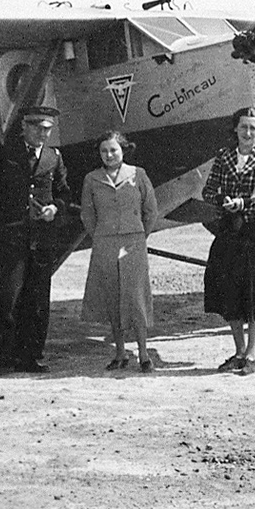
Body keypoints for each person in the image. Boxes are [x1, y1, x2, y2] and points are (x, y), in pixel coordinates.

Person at [0, 105, 72, 377]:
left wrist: (55, 209)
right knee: (7, 296)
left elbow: (64, 193)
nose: (42, 133)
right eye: (36, 127)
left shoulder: (53, 158)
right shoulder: (5, 150)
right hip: (11, 234)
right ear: (24, 127)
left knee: (38, 300)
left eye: (46, 129)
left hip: (42, 237)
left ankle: (31, 357)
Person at [201, 106, 255, 376]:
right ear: (235, 129)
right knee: (229, 293)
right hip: (228, 232)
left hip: (253, 233)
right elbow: (208, 190)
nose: (247, 132)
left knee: (253, 295)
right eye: (243, 127)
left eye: (253, 127)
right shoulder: (224, 157)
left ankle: (251, 355)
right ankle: (238, 351)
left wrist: (246, 203)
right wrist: (223, 200)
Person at [79, 131, 159, 372]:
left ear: (123, 150)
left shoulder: (138, 174)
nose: (109, 155)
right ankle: (120, 352)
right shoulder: (92, 179)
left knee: (135, 297)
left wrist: (139, 235)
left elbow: (151, 210)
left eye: (113, 150)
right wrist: (101, 236)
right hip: (105, 243)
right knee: (112, 297)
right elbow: (87, 214)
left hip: (133, 242)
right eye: (104, 151)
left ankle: (144, 354)